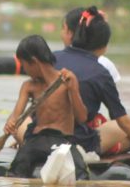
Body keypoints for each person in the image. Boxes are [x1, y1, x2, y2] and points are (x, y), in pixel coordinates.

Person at [55, 6, 130, 170]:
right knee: (129, 130)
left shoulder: (51, 59)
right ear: (104, 47)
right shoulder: (101, 73)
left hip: (43, 136)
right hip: (79, 142)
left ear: (73, 35)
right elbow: (122, 120)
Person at [5, 35, 88, 179]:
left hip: (62, 140)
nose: (24, 70)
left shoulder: (66, 81)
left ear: (34, 62)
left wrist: (73, 89)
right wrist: (10, 124)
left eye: (24, 65)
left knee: (81, 174)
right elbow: (16, 115)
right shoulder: (29, 86)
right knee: (17, 169)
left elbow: (82, 118)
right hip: (36, 139)